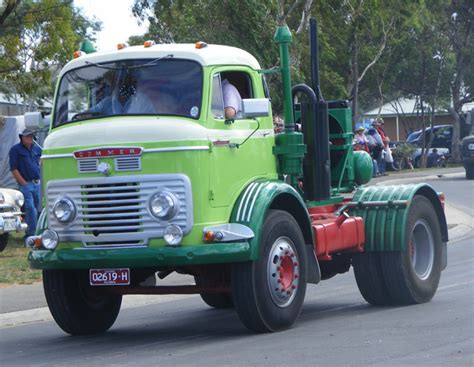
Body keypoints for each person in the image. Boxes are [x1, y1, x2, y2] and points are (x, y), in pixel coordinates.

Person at [9, 129, 42, 239]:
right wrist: (23, 183)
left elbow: (41, 163)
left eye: (31, 136)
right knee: (30, 208)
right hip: (26, 184)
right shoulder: (15, 150)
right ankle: (31, 235)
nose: (29, 138)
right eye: (27, 136)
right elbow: (13, 169)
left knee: (38, 208)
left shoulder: (37, 149)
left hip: (37, 183)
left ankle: (37, 232)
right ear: (22, 138)